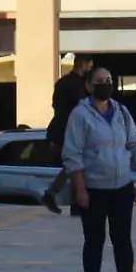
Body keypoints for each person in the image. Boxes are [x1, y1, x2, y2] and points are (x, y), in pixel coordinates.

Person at [62, 66, 136, 272]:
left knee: (123, 242)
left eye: (109, 80)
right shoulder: (80, 114)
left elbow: (135, 145)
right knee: (94, 242)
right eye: (100, 81)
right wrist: (80, 190)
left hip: (122, 187)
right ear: (89, 86)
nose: (105, 84)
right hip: (93, 189)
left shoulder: (121, 112)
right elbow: (72, 154)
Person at [41, 53, 94, 215]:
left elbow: (55, 105)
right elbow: (82, 107)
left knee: (73, 165)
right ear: (84, 64)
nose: (90, 68)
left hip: (59, 128)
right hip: (71, 130)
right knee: (77, 165)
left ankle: (56, 196)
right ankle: (74, 204)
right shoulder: (80, 85)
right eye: (90, 65)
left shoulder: (62, 82)